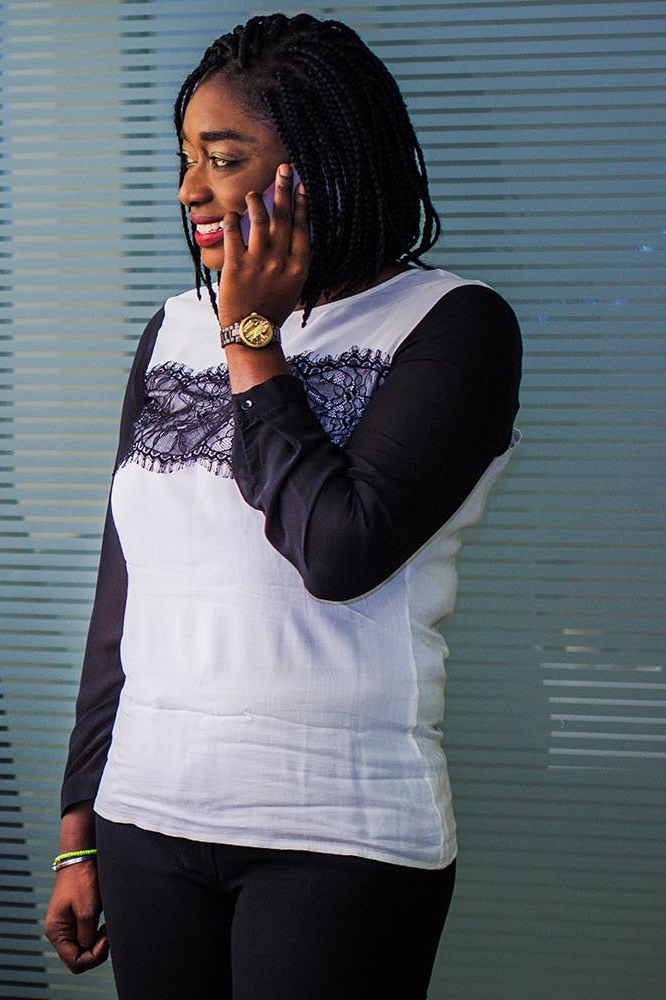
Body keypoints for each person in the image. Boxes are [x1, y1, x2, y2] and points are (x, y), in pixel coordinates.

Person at [41, 13, 521, 1000]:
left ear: (322, 167)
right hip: (148, 814)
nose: (190, 190)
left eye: (223, 160)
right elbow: (125, 588)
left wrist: (252, 338)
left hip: (338, 834)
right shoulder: (173, 326)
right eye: (187, 159)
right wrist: (78, 825)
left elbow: (338, 549)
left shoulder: (452, 326)